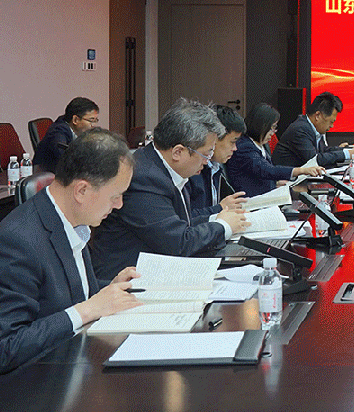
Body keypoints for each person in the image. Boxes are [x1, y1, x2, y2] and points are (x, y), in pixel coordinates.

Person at [0, 129, 142, 393]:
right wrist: (88, 309)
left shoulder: (70, 221)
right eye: (116, 195)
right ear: (82, 190)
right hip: (12, 396)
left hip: (62, 370)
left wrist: (108, 290)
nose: (119, 205)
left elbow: (62, 297)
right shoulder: (16, 244)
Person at [90, 100, 249, 281]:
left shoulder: (162, 167)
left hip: (154, 271)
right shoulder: (144, 178)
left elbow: (177, 223)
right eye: (206, 154)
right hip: (123, 281)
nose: (207, 162)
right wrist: (223, 226)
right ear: (178, 152)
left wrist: (216, 218)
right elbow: (178, 243)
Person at [225, 102, 324, 197]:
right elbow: (266, 170)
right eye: (272, 128)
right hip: (251, 200)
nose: (273, 132)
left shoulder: (260, 144)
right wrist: (302, 170)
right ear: (261, 126)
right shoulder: (244, 147)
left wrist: (275, 183)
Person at [273, 91, 354, 168]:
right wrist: (347, 154)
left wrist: (348, 149)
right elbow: (314, 160)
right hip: (287, 181)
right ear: (317, 116)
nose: (332, 126)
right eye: (331, 122)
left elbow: (323, 150)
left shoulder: (311, 127)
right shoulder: (300, 129)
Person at [187, 104, 246, 216]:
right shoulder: (191, 169)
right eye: (232, 142)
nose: (235, 148)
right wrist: (220, 208)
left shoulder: (216, 166)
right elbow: (186, 218)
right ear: (214, 138)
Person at [33, 97, 101, 172]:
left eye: (96, 120)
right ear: (75, 120)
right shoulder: (58, 133)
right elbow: (65, 160)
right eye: (91, 120)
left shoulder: (76, 130)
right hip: (48, 175)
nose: (93, 125)